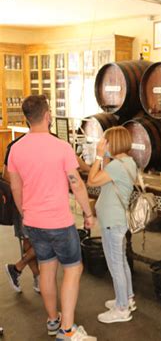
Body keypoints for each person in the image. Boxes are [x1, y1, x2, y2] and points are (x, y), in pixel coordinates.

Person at [8, 95, 96, 341]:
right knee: (73, 269)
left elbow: (15, 188)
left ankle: (52, 321)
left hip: (34, 222)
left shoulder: (16, 148)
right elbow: (76, 183)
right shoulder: (61, 147)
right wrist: (88, 213)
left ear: (27, 119)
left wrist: (26, 213)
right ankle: (67, 331)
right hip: (59, 223)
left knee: (46, 268)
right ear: (47, 116)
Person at [87, 126, 137, 324]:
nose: (102, 143)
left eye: (105, 141)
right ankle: (127, 298)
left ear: (112, 143)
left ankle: (122, 309)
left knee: (115, 264)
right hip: (116, 220)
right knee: (121, 261)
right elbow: (103, 175)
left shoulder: (117, 166)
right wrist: (105, 157)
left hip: (113, 222)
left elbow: (92, 180)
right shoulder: (126, 161)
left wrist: (98, 156)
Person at [3, 134, 40, 294]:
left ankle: (17, 268)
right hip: (24, 201)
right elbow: (6, 175)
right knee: (32, 240)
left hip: (43, 200)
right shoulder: (15, 146)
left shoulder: (53, 140)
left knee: (41, 240)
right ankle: (36, 275)